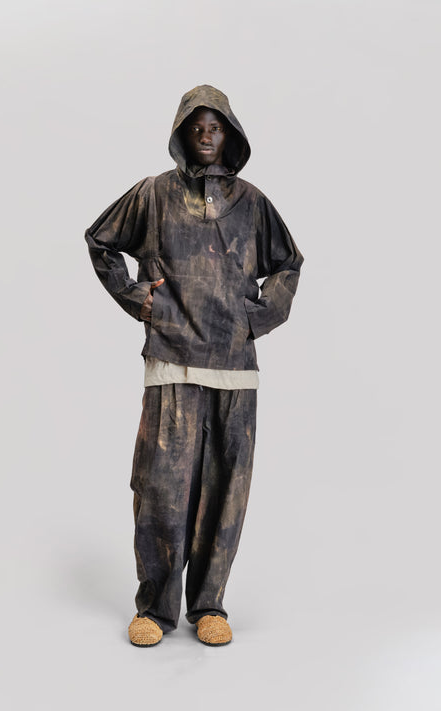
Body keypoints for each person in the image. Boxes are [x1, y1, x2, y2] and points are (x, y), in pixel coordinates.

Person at [84, 85, 303, 647]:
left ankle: (210, 606)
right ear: (182, 133)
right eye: (197, 127)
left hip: (234, 367)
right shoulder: (153, 194)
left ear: (230, 133)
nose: (206, 136)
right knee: (161, 487)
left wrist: (256, 318)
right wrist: (139, 299)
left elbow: (288, 264)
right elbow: (100, 241)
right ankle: (155, 609)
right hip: (172, 360)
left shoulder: (252, 203)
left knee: (225, 489)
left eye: (216, 127)